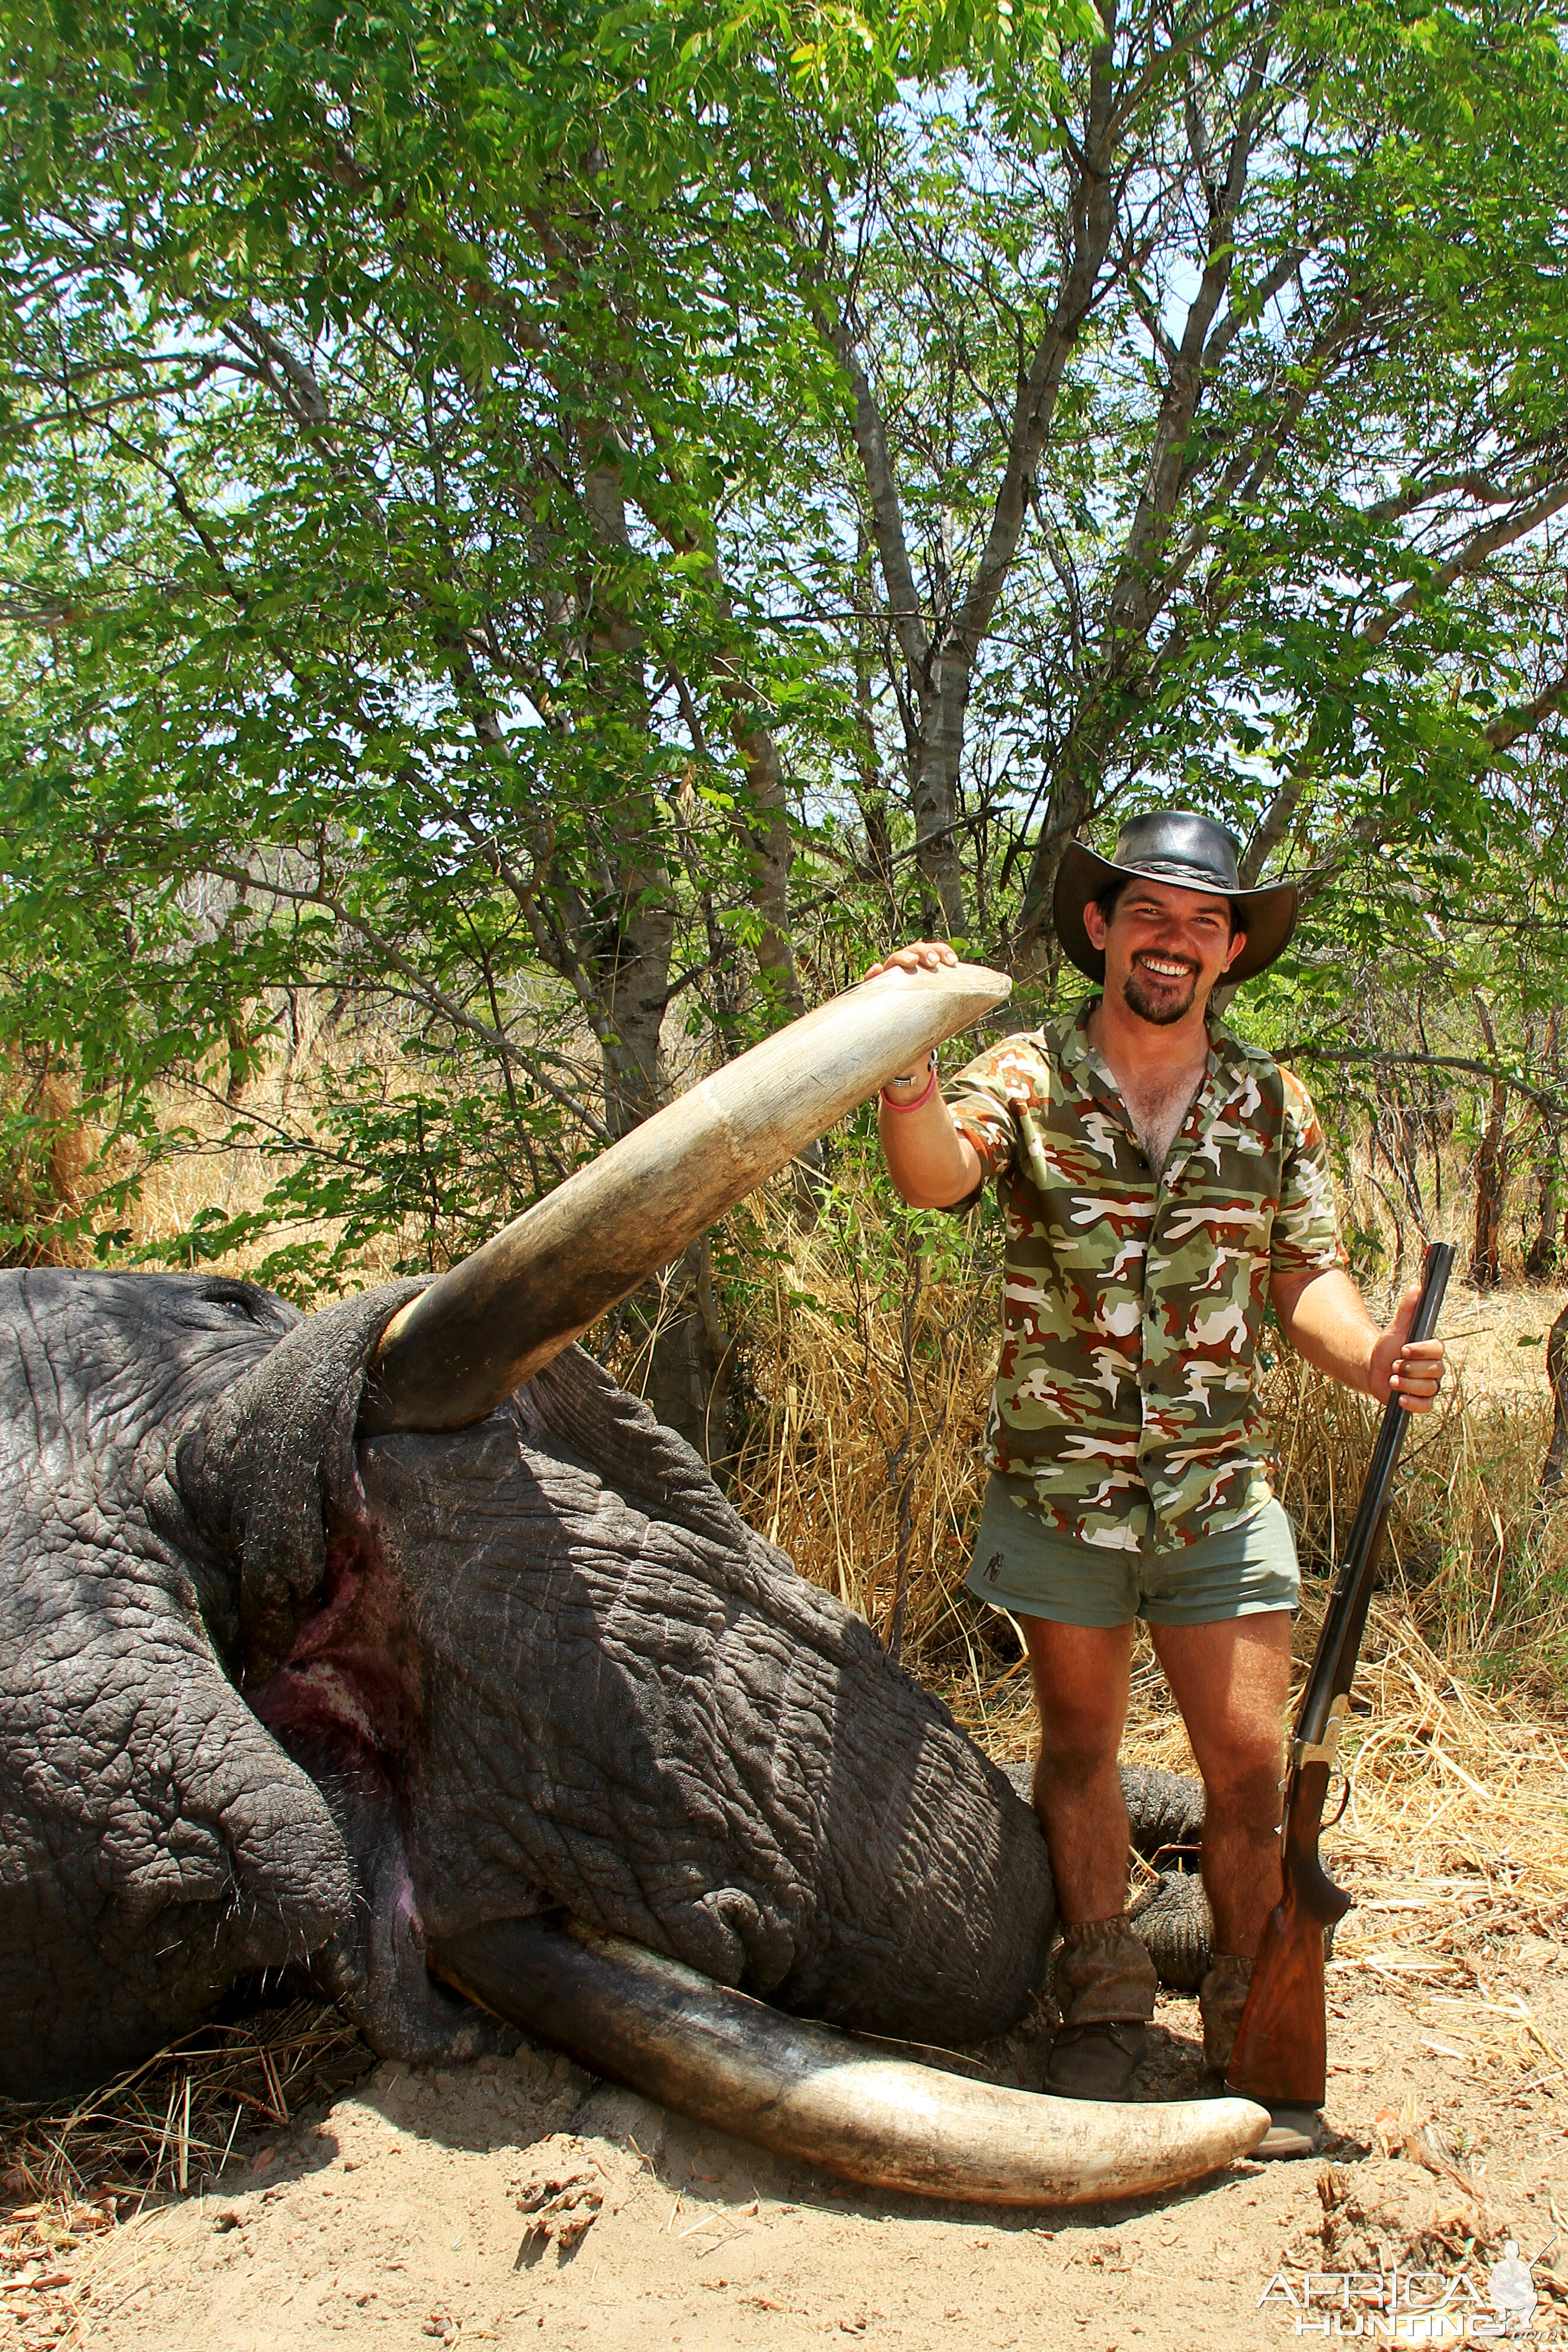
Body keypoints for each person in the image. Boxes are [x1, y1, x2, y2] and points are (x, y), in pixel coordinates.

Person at [870, 810, 1445, 2101]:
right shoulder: (1026, 1076)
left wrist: (1369, 1355)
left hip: (1218, 1493)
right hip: (1060, 1488)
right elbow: (933, 1178)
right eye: (1149, 915)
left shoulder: (1270, 1100)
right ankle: (1103, 1991)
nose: (1173, 941)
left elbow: (1306, 1274)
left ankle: (1249, 1993)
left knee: (1248, 1764)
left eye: (1202, 921)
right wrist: (906, 1067)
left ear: (1232, 946)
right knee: (1077, 1742)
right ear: (1101, 928)